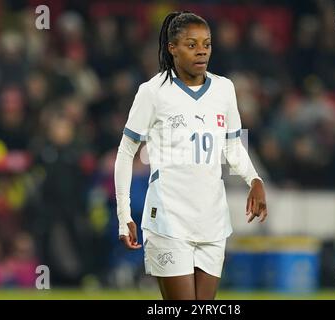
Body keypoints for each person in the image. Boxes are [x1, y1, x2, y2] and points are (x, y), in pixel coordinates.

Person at [114, 11, 267, 300]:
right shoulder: (153, 92)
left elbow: (233, 145)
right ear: (172, 48)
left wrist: (254, 179)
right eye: (191, 44)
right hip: (168, 219)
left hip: (212, 219)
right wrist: (124, 214)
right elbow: (125, 152)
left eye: (206, 44)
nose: (201, 52)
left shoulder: (224, 88)